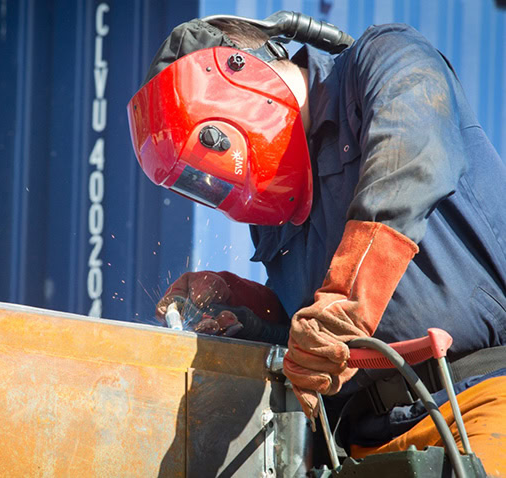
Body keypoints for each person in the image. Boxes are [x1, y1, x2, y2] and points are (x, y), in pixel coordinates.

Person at [126, 14, 506, 475]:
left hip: (480, 398)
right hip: (361, 444)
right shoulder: (276, 209)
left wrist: (343, 305)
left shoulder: (384, 58)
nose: (220, 189)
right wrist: (250, 314)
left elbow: (411, 165)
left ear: (236, 74)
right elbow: (317, 336)